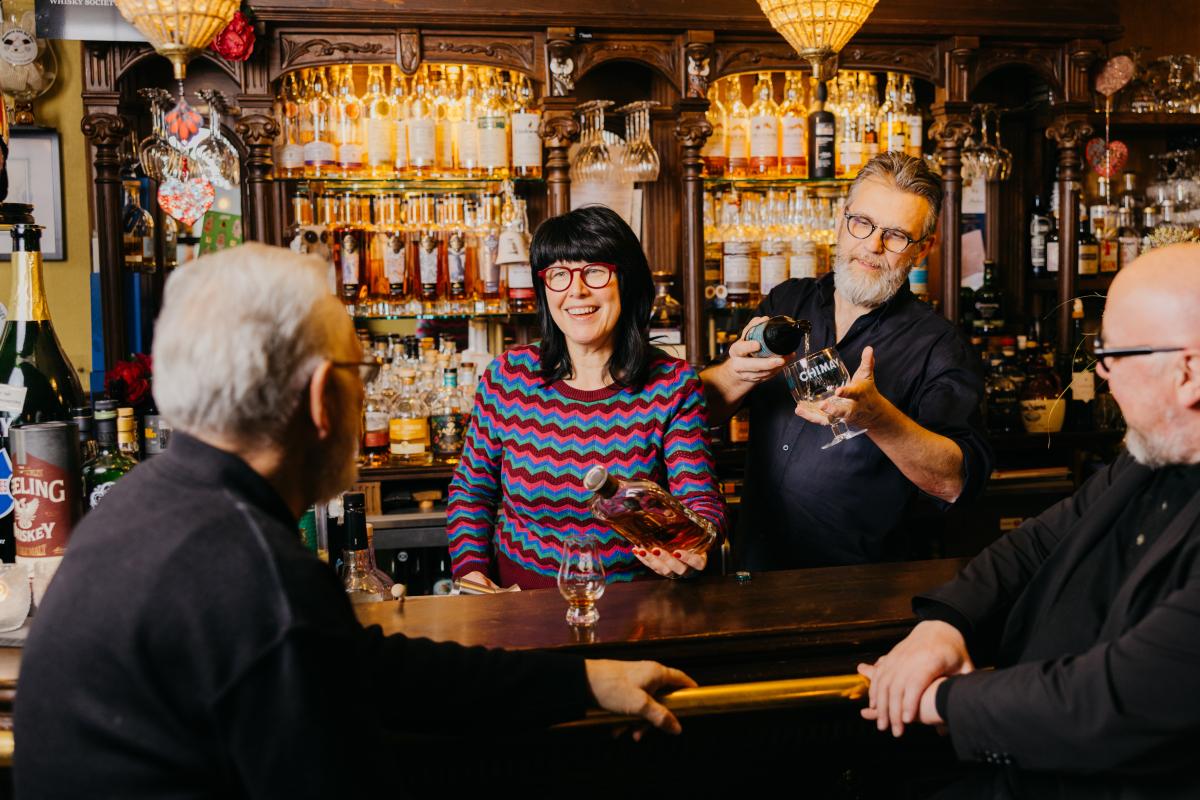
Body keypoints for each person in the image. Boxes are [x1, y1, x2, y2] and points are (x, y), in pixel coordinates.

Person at [14, 244, 696, 797]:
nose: (363, 395)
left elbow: (361, 667)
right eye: (358, 372)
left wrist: (581, 682)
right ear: (322, 397)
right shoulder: (255, 574)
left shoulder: (147, 502)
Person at [859, 243, 1200, 797]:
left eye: (1113, 356)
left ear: (1189, 373)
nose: (1103, 376)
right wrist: (942, 628)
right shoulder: (1147, 460)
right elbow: (1034, 545)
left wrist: (938, 699)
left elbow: (1117, 699)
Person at [701, 151, 991, 569]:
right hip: (756, 571)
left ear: (923, 249)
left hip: (860, 586)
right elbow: (701, 411)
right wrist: (736, 373)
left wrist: (878, 418)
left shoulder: (940, 346)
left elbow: (954, 482)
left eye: (896, 235)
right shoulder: (787, 301)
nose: (872, 245)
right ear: (841, 220)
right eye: (862, 223)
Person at [448, 205, 727, 587]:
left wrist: (695, 547)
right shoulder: (508, 377)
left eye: (594, 271)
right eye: (559, 274)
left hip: (634, 608)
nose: (576, 290)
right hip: (519, 603)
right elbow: (470, 491)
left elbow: (700, 503)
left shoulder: (672, 385)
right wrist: (472, 573)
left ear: (626, 281)